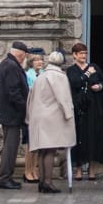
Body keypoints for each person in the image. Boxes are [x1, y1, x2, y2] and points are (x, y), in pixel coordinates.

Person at [27, 49, 76, 194]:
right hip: (52, 117)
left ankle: (42, 181)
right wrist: (68, 115)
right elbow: (63, 98)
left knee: (42, 150)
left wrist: (29, 117)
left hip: (39, 116)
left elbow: (31, 98)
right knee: (50, 149)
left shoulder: (41, 76)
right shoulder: (59, 76)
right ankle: (48, 182)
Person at [66, 41, 103, 180]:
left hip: (94, 107)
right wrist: (87, 75)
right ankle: (78, 169)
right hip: (79, 109)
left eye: (85, 53)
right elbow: (75, 83)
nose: (84, 56)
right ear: (75, 55)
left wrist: (100, 86)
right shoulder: (71, 70)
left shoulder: (94, 67)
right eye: (81, 53)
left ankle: (92, 169)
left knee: (93, 137)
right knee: (79, 137)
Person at [0, 39, 29, 190]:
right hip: (12, 114)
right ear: (20, 54)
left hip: (9, 113)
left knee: (10, 146)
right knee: (10, 147)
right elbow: (14, 92)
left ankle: (6, 176)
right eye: (23, 56)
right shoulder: (12, 66)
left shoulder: (7, 64)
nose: (24, 59)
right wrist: (25, 107)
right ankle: (5, 178)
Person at [22, 49, 45, 182]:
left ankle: (34, 169)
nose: (39, 62)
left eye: (41, 59)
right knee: (29, 144)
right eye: (36, 60)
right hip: (31, 112)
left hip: (42, 111)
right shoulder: (27, 75)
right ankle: (27, 171)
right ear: (31, 62)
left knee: (38, 144)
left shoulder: (43, 74)